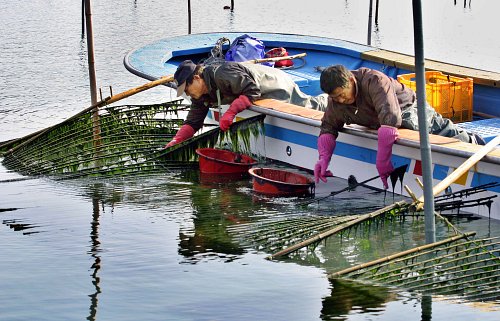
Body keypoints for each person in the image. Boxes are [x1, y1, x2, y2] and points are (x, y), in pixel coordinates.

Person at [314, 64, 484, 189]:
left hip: (408, 109)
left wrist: (382, 161)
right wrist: (323, 158)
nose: (341, 101)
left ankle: (472, 140)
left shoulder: (374, 80)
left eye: (342, 95)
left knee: (434, 129)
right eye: (336, 98)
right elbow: (328, 127)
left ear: (351, 81)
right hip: (376, 120)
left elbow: (390, 120)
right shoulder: (335, 101)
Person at [164, 60, 328, 148]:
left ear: (197, 78)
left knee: (309, 106)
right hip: (260, 90)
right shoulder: (201, 94)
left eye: (187, 88)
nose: (187, 93)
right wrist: (175, 142)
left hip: (274, 84)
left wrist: (231, 112)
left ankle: (330, 99)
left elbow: (252, 91)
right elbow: (193, 122)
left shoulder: (221, 73)